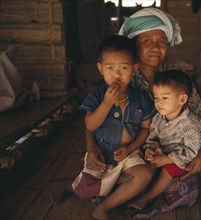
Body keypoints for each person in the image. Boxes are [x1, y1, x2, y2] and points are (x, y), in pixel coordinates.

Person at [86, 7, 201, 215]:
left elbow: (199, 119)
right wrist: (90, 147)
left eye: (161, 41)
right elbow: (92, 120)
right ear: (135, 45)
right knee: (119, 177)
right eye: (147, 41)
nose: (155, 47)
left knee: (183, 180)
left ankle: (144, 194)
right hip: (130, 152)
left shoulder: (177, 78)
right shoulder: (121, 78)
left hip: (171, 151)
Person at [49, 35, 156, 220]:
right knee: (85, 192)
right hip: (102, 153)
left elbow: (145, 129)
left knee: (145, 175)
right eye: (110, 68)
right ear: (100, 69)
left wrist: (131, 148)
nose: (117, 74)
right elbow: (90, 125)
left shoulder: (140, 98)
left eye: (124, 68)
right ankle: (68, 186)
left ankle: (104, 208)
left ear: (135, 68)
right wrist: (107, 103)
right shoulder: (97, 96)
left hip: (128, 153)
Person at [130, 70, 201, 211]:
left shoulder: (190, 124)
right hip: (165, 151)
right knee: (148, 162)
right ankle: (137, 190)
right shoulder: (159, 117)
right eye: (156, 97)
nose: (159, 103)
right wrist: (150, 149)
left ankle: (149, 197)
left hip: (184, 157)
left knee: (169, 169)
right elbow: (152, 136)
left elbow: (190, 151)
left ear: (182, 99)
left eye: (164, 98)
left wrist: (167, 159)